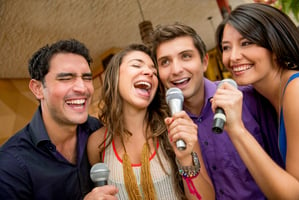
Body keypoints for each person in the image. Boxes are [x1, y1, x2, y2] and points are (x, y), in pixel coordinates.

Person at [151, 22, 284, 199]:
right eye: (165, 62)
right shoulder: (163, 127)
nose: (176, 70)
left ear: (204, 62)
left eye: (186, 56)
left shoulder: (249, 100)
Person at [87, 44, 215, 200]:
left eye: (154, 72)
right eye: (136, 65)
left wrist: (186, 159)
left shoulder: (176, 129)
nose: (149, 72)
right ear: (115, 77)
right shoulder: (97, 143)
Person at [0, 39, 118, 199]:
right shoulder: (9, 164)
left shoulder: (97, 130)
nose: (82, 88)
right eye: (66, 78)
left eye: (87, 78)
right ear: (38, 89)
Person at [213, 3, 299, 199]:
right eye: (226, 47)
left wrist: (237, 129)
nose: (233, 57)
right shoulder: (263, 97)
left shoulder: (297, 90)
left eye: (246, 43)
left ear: (275, 45)